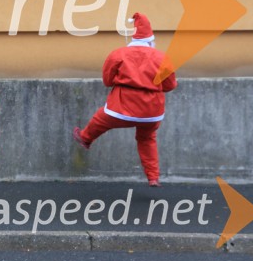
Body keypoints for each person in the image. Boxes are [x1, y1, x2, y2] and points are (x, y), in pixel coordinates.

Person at [72, 12, 177, 186]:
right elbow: (170, 85)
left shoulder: (118, 54)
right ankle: (153, 177)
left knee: (101, 119)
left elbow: (107, 81)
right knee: (147, 139)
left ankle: (85, 138)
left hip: (122, 108)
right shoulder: (162, 58)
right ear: (151, 40)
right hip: (152, 112)